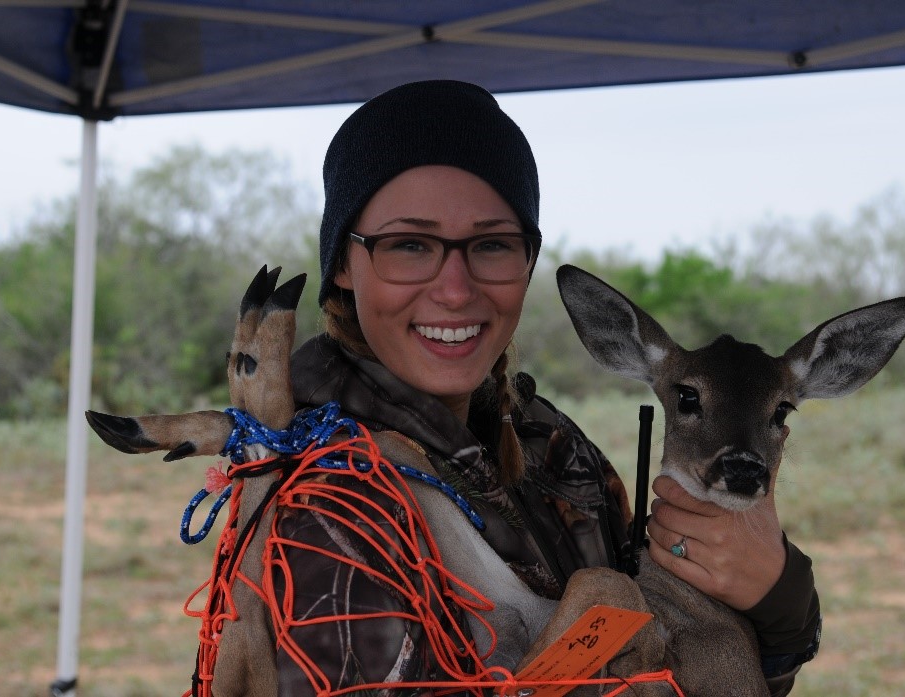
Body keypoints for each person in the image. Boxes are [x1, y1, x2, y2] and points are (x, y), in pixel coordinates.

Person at [281, 79, 821, 695]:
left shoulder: (556, 451)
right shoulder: (320, 493)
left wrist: (778, 603)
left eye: (491, 245)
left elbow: (682, 666)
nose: (455, 290)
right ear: (345, 266)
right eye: (410, 245)